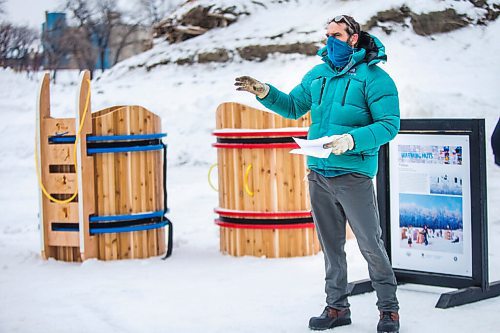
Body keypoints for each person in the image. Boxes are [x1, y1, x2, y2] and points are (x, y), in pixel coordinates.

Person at [235, 14, 400, 333]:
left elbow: (389, 125)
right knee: (331, 246)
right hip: (319, 174)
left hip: (353, 176)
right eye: (327, 35)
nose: (330, 41)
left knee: (370, 244)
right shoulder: (318, 73)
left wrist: (351, 140)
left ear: (354, 38)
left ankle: (388, 309)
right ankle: (337, 307)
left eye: (336, 35)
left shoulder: (375, 78)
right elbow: (294, 107)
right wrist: (264, 91)